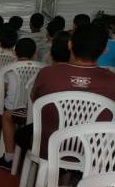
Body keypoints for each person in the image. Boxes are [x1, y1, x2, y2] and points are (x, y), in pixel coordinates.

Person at [14, 23, 115, 159]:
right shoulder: (112, 80)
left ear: (69, 45)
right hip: (94, 152)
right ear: (104, 50)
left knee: (21, 134)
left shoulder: (47, 74)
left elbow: (35, 101)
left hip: (49, 147)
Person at [0, 37, 37, 170]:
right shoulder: (42, 68)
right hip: (32, 111)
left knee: (6, 115)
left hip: (13, 108)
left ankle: (9, 157)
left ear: (15, 52)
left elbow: (5, 90)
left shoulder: (8, 69)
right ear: (35, 53)